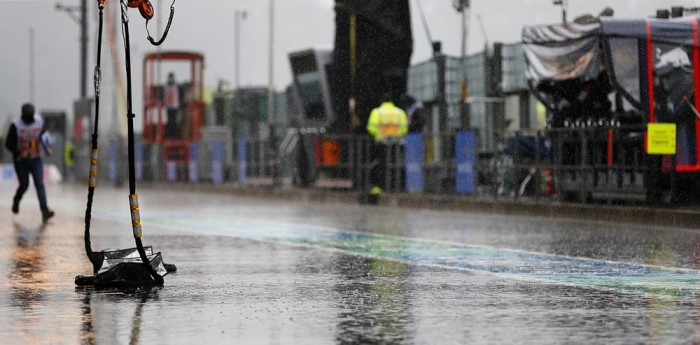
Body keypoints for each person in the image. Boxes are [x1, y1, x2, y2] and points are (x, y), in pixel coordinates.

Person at [4, 103, 55, 223]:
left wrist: (47, 148)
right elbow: (8, 143)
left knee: (39, 184)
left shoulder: (39, 122)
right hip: (21, 161)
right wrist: (19, 153)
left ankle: (45, 211)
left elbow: (43, 136)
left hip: (36, 159)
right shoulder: (15, 125)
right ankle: (16, 200)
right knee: (24, 185)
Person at [366, 93, 408, 196]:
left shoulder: (377, 112)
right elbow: (404, 129)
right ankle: (396, 187)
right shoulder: (399, 112)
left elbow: (371, 128)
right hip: (396, 144)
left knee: (382, 165)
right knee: (396, 165)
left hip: (382, 143)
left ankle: (381, 187)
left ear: (381, 101)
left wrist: (378, 135)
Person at [164, 72, 181, 139]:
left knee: (173, 121)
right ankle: (171, 135)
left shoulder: (172, 85)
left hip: (173, 106)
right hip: (171, 106)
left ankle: (172, 135)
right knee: (171, 121)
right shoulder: (174, 85)